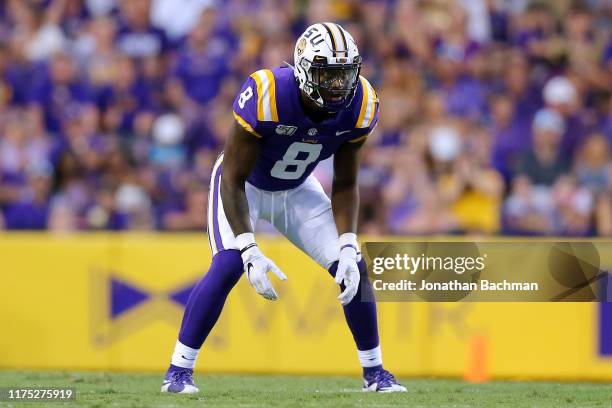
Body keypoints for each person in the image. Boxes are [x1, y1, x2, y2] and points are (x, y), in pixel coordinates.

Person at [161, 22, 406, 394]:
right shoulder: (267, 92)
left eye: (345, 74)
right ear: (306, 71)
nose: (339, 85)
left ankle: (375, 373)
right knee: (229, 263)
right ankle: (177, 372)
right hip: (244, 186)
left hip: (297, 189)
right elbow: (232, 177)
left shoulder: (362, 104)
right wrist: (248, 245)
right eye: (329, 74)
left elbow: (345, 181)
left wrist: (348, 240)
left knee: (352, 265)